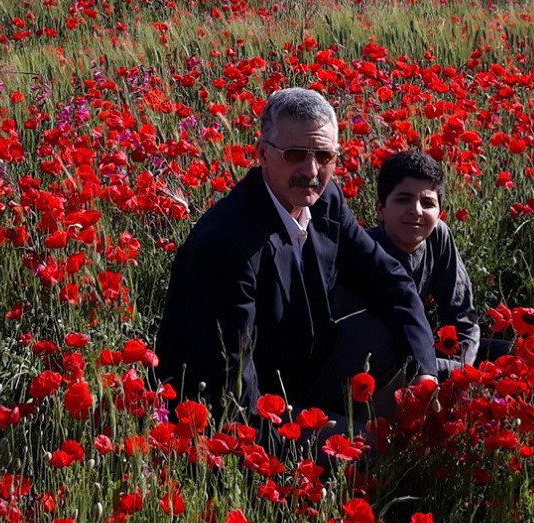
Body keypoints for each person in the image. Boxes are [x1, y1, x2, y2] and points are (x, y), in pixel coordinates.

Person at [155, 86, 438, 415]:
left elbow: (391, 281)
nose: (312, 171)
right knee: (369, 458)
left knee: (391, 332)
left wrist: (426, 373)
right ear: (262, 154)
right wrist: (324, 437)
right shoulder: (227, 245)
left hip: (305, 370)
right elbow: (232, 388)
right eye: (295, 154)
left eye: (324, 156)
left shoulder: (326, 200)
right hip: (234, 408)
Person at [369, 148, 483, 369]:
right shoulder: (366, 250)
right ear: (380, 209)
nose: (416, 211)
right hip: (384, 364)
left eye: (428, 203)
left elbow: (463, 317)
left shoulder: (438, 236)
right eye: (403, 199)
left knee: (514, 357)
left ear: (440, 213)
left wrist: (461, 368)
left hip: (426, 354)